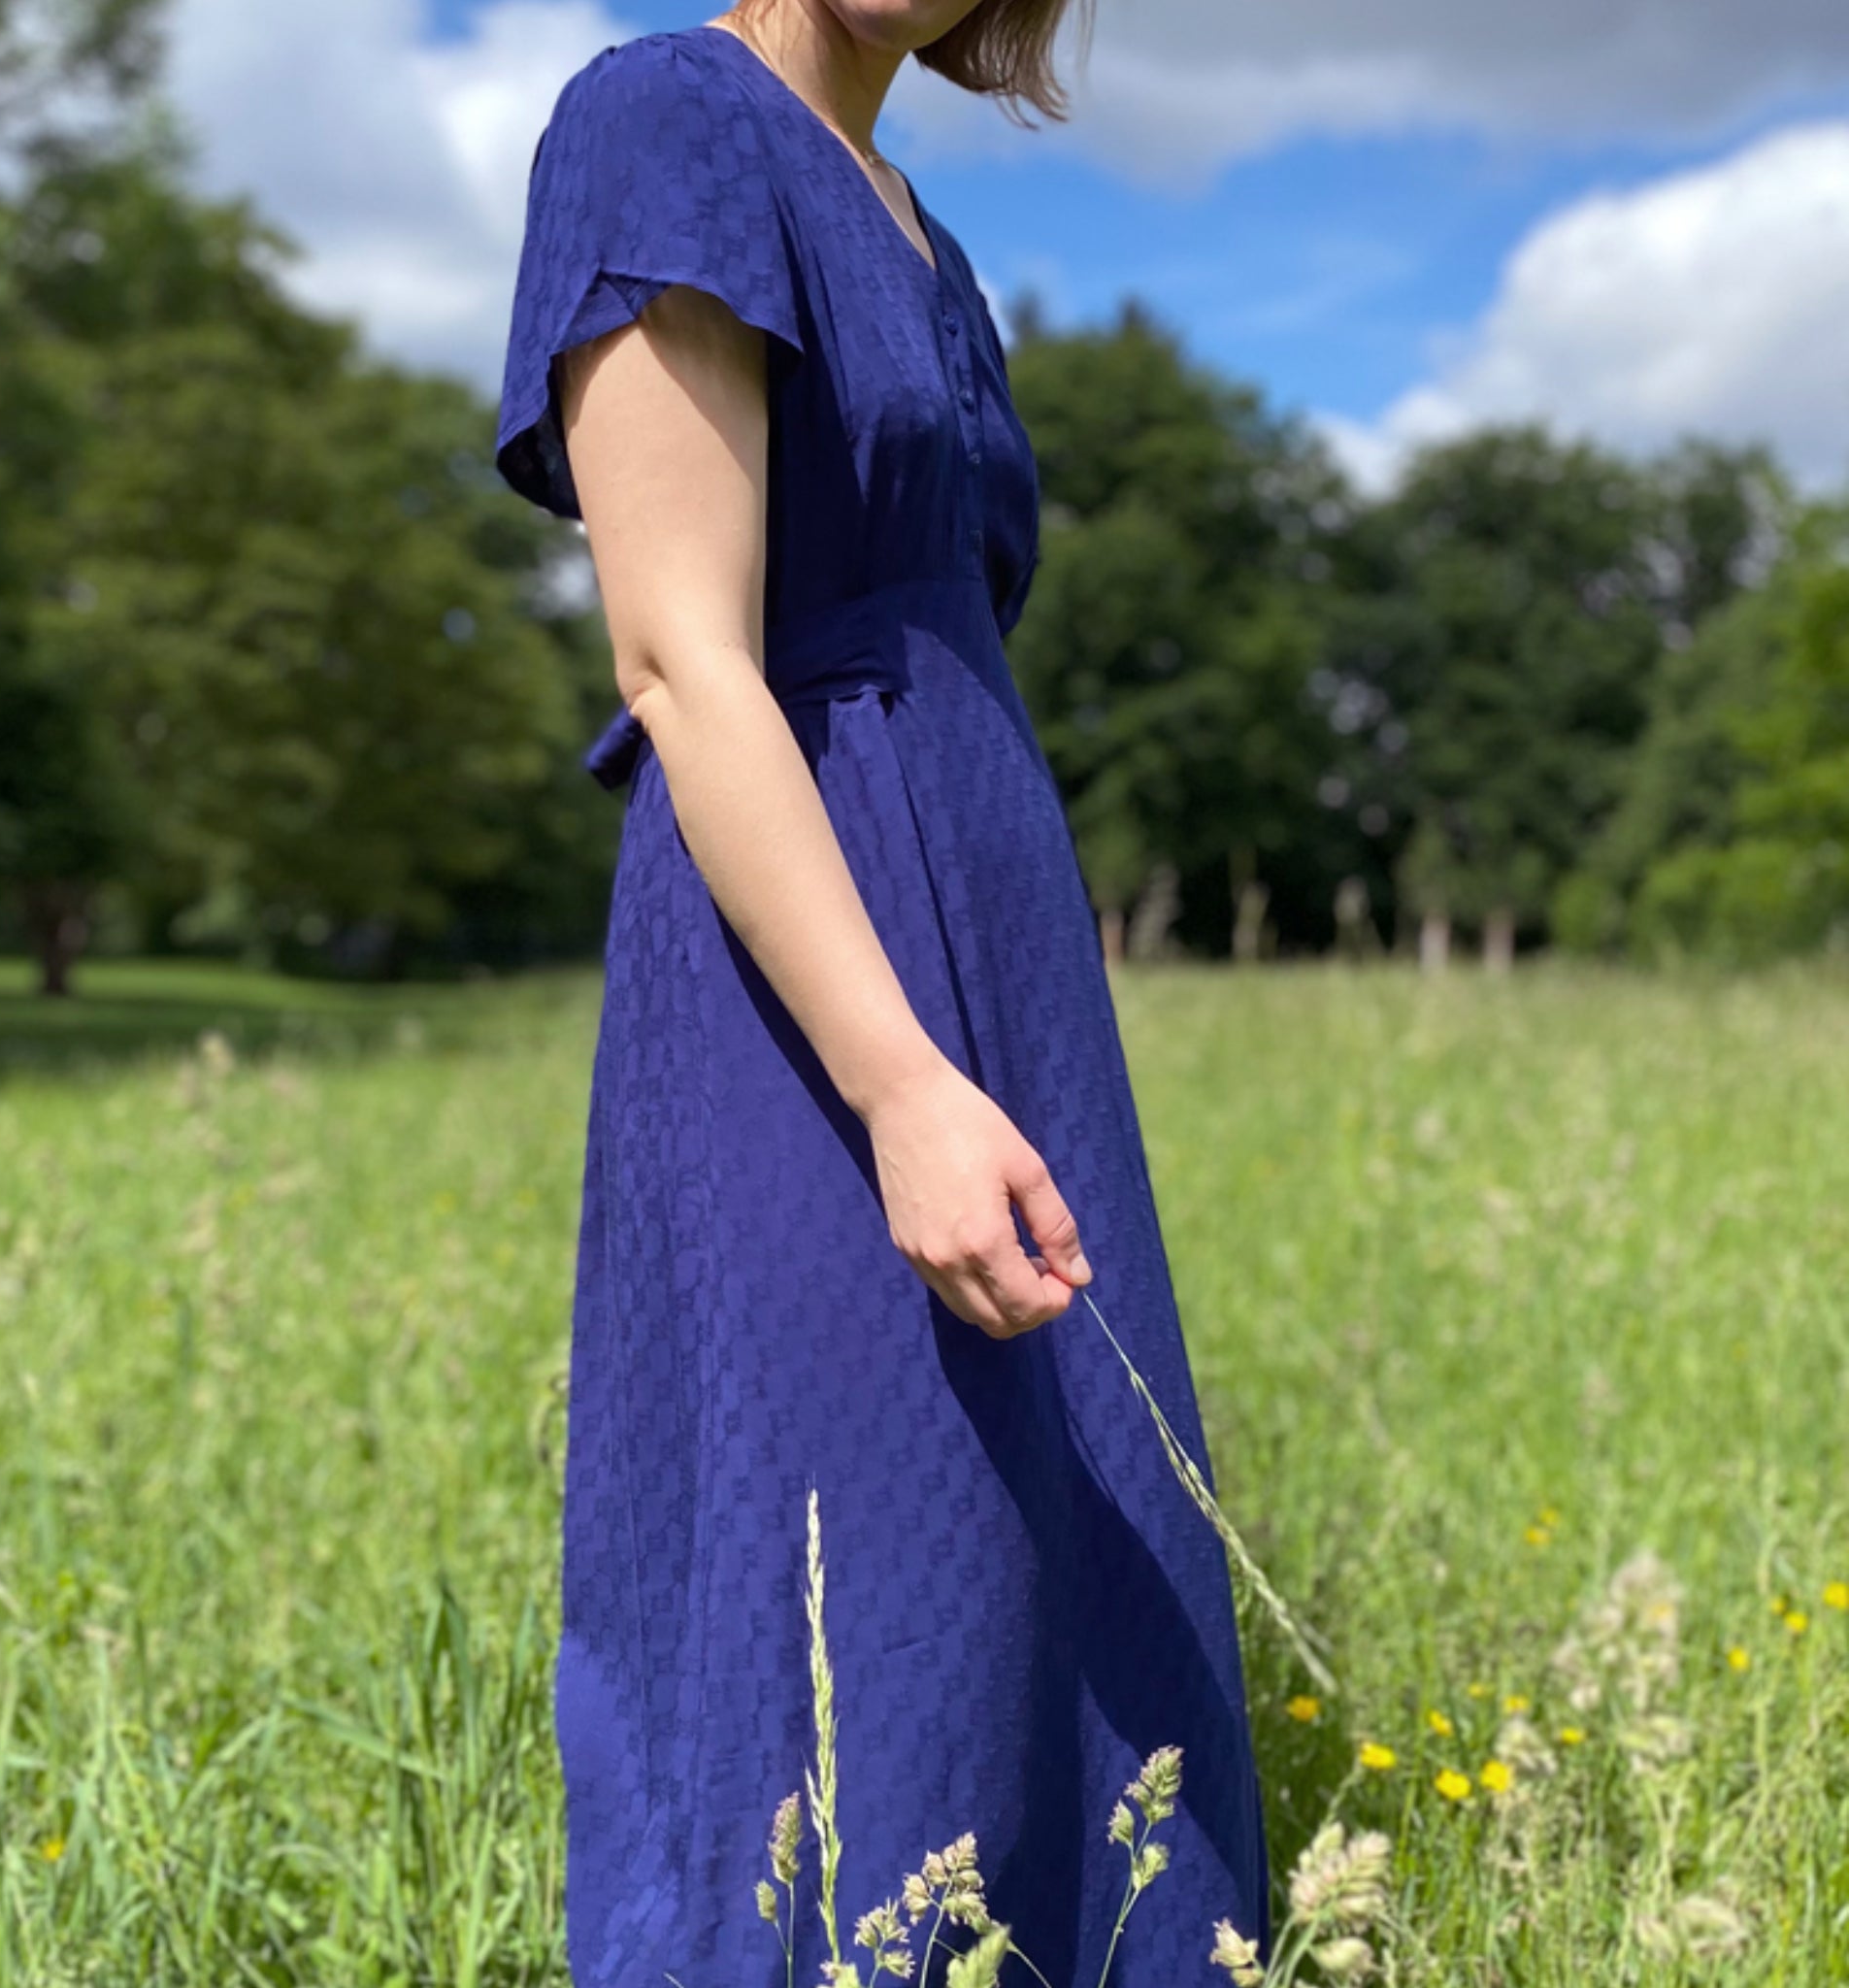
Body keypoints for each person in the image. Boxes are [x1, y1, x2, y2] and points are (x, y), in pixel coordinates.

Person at [493, 3, 1271, 1981]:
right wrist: (898, 1078)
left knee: (1056, 1529)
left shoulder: (927, 234)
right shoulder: (668, 119)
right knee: (860, 1532)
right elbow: (682, 661)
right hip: (820, 962)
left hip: (1000, 939)